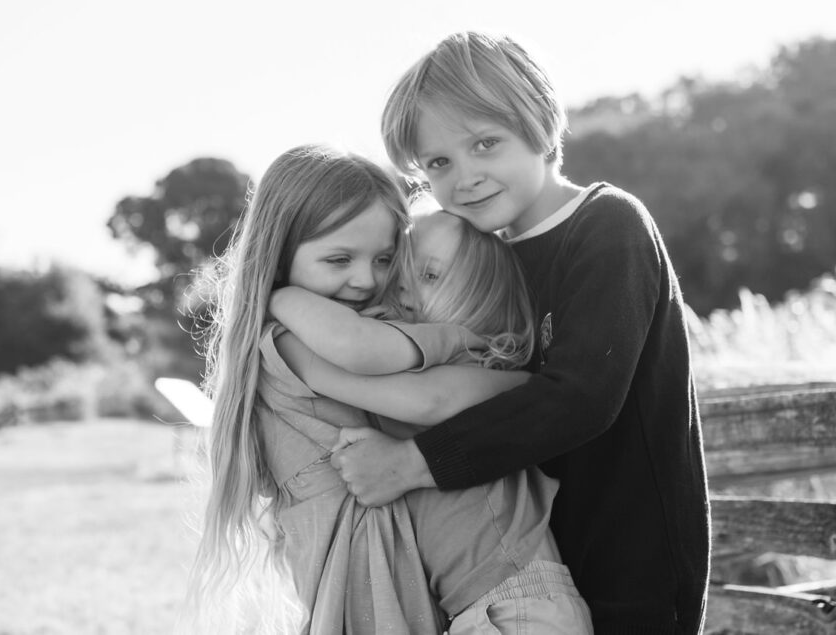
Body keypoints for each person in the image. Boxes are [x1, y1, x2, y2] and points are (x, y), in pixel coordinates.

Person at [328, 31, 712, 634]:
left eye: (486, 143)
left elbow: (580, 396)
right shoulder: (482, 257)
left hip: (631, 563)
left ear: (536, 122)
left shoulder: (608, 226)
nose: (464, 178)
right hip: (528, 566)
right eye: (438, 163)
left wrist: (410, 464)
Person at [186, 144, 468, 634]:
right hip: (361, 563)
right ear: (278, 254)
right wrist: (514, 371)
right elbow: (431, 400)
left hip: (384, 553)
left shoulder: (351, 327)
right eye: (339, 259)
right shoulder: (294, 338)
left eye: (384, 259)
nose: (365, 279)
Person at [269, 209, 593, 633]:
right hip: (486, 608)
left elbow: (363, 351)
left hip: (515, 604)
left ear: (481, 297)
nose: (403, 283)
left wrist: (279, 297)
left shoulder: (466, 352)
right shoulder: (421, 350)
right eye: (400, 266)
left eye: (431, 274)